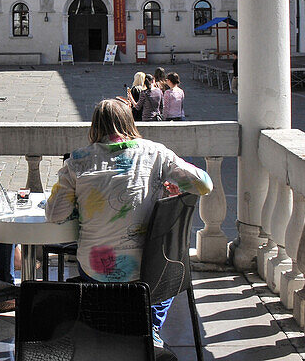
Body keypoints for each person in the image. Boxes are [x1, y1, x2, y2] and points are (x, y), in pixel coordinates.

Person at [45, 99, 213, 350]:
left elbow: (55, 215)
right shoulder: (156, 153)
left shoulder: (77, 161)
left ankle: (108, 327)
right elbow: (204, 185)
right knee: (165, 277)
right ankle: (151, 326)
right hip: (149, 273)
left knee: (94, 275)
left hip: (97, 271)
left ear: (95, 126)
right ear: (129, 122)